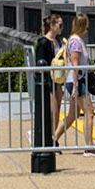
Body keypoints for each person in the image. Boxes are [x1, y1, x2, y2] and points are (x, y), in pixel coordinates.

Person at [56, 13, 95, 154]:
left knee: (72, 114)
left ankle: (53, 140)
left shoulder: (74, 40)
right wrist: (76, 86)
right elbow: (75, 65)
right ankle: (89, 146)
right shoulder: (76, 42)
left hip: (74, 80)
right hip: (76, 81)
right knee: (89, 111)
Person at [35, 13, 65, 144]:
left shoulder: (58, 41)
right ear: (52, 26)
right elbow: (40, 62)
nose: (62, 28)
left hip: (57, 80)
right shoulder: (43, 42)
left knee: (57, 112)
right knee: (52, 111)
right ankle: (48, 139)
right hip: (48, 81)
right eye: (60, 25)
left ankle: (53, 138)